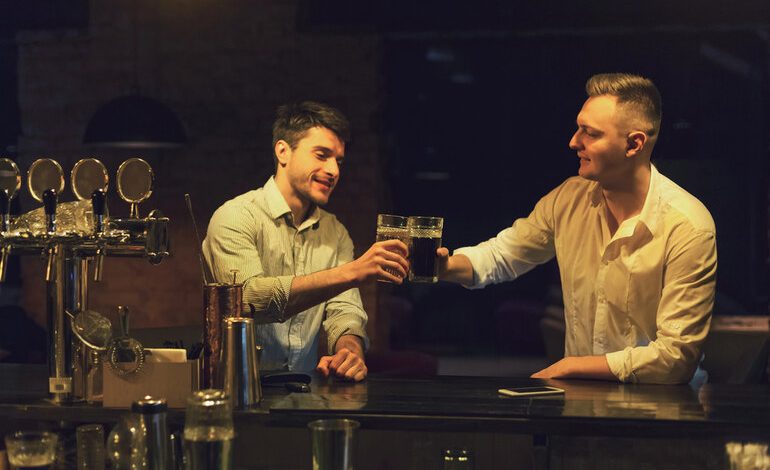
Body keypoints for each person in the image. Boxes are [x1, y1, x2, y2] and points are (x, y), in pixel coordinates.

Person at [438, 73, 717, 384]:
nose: (574, 142)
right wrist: (443, 267)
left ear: (634, 144)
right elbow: (503, 254)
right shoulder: (569, 199)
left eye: (591, 133)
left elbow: (675, 358)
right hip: (582, 401)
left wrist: (573, 366)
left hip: (661, 405)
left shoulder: (687, 226)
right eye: (578, 128)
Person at [203, 101, 409, 382]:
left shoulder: (335, 231)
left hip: (303, 391)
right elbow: (247, 300)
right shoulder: (235, 216)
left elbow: (344, 310)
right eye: (322, 155)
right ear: (283, 152)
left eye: (338, 161)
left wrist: (350, 351)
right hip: (237, 389)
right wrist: (353, 272)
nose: (334, 171)